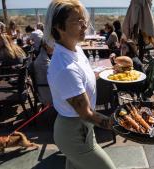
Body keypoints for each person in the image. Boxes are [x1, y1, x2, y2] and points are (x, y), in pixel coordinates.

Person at [44, 0, 116, 169]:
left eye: (84, 20)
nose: (85, 26)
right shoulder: (65, 67)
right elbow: (85, 113)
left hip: (82, 129)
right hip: (74, 133)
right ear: (58, 27)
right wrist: (118, 124)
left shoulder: (76, 49)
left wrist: (110, 72)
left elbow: (83, 79)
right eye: (78, 21)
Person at [33, 38, 53, 105]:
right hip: (48, 95)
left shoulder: (44, 55)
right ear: (46, 45)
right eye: (54, 44)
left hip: (48, 89)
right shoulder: (43, 61)